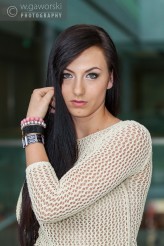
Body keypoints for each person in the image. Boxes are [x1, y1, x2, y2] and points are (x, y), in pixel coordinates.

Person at [16, 24, 152, 246]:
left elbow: (51, 207)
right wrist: (39, 133)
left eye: (91, 75)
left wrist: (31, 129)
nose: (77, 89)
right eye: (67, 75)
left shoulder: (130, 136)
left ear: (110, 79)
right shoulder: (48, 144)